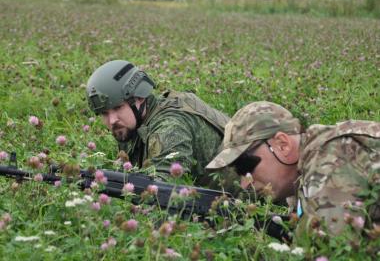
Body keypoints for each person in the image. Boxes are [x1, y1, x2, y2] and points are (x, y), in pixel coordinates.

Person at [206, 101, 380, 238]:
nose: (245, 183)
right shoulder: (303, 177)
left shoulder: (331, 156)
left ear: (282, 145)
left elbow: (332, 248)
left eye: (246, 166)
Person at [86, 60, 231, 185]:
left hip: (240, 194)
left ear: (140, 98)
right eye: (104, 113)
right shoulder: (134, 123)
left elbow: (162, 188)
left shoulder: (169, 127)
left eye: (118, 107)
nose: (112, 120)